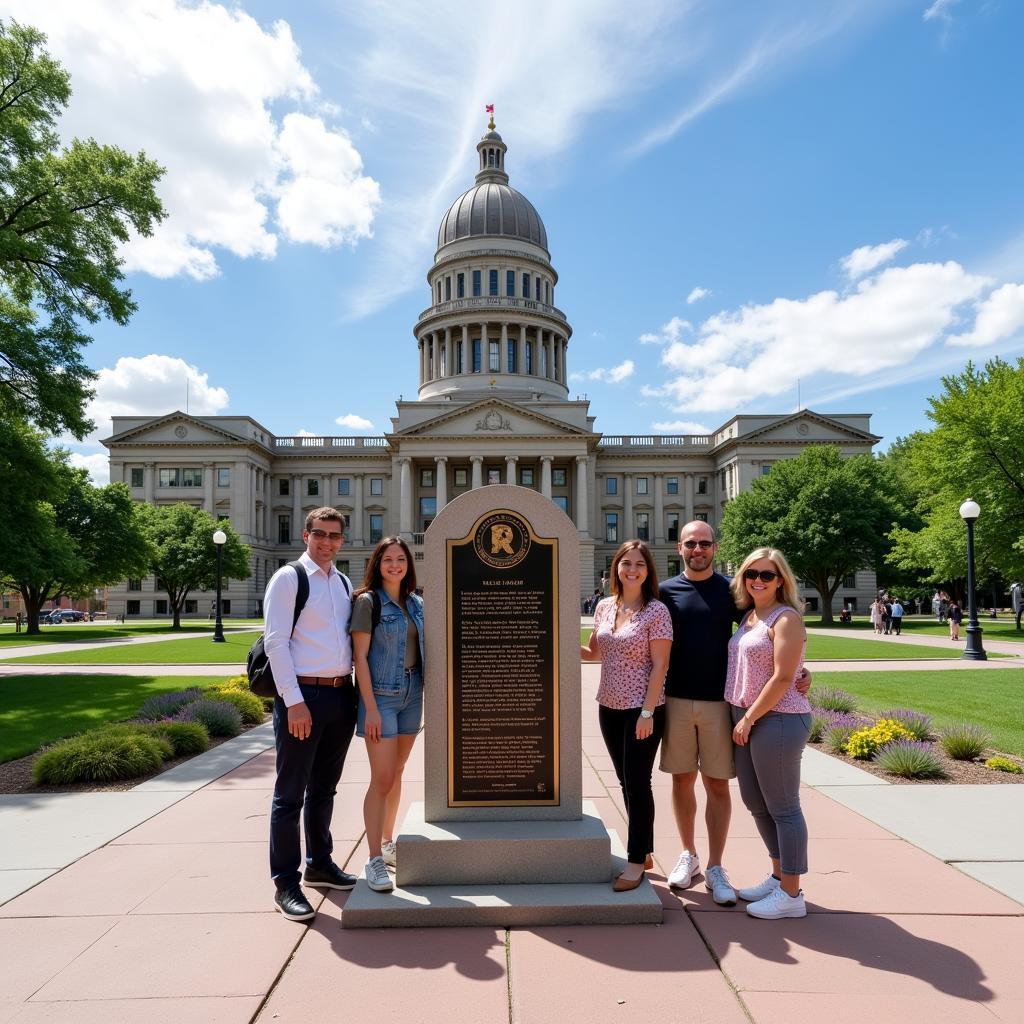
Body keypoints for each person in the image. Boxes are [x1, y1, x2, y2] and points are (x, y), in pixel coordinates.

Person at [264, 507, 359, 923]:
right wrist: (293, 700)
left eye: (335, 535)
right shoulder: (289, 578)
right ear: (306, 536)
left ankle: (320, 863)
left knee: (324, 790)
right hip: (302, 697)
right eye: (320, 534)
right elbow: (275, 643)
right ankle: (286, 882)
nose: (327, 542)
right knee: (290, 796)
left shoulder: (342, 581)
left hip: (340, 697)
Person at [581, 540, 672, 892]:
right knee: (624, 781)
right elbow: (593, 653)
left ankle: (636, 862)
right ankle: (643, 849)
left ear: (648, 571)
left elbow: (661, 665)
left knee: (637, 782)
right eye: (625, 563)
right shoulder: (605, 607)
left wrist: (648, 712)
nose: (631, 569)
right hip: (609, 705)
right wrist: (552, 639)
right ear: (616, 568)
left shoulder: (656, 611)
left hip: (642, 709)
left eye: (639, 564)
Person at [727, 547, 811, 920]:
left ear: (781, 581)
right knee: (755, 802)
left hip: (777, 719)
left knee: (784, 807)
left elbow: (783, 676)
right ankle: (779, 876)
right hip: (748, 715)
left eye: (766, 575)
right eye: (751, 574)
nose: (757, 580)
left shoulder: (786, 618)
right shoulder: (750, 616)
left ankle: (792, 893)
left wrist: (748, 719)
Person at [351, 537, 425, 894]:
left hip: (412, 694)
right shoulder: (368, 602)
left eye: (400, 559)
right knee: (381, 779)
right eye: (387, 560)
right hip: (380, 697)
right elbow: (359, 658)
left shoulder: (416, 603)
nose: (395, 565)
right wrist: (370, 709)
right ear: (377, 564)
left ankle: (387, 841)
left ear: (408, 564)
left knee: (396, 773)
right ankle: (373, 858)